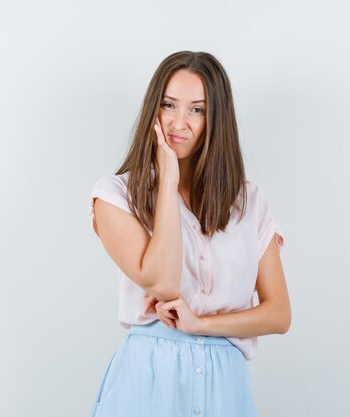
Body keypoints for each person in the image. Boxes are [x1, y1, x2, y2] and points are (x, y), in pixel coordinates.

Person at [87, 50, 290, 417]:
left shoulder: (250, 202)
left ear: (216, 120)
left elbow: (278, 314)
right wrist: (168, 180)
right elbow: (163, 282)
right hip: (149, 381)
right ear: (153, 109)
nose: (179, 122)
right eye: (169, 105)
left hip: (225, 385)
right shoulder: (116, 195)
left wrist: (202, 324)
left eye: (197, 109)